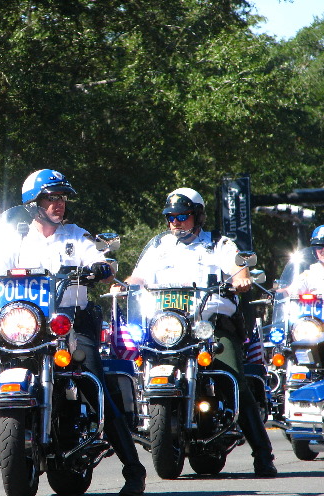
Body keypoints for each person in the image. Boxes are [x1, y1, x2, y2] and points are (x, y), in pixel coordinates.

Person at [0, 169, 147, 496]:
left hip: (72, 323)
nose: (59, 204)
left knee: (92, 381)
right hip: (24, 327)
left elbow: (99, 261)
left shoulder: (75, 236)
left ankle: (134, 469)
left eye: (62, 198)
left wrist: (102, 267)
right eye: (52, 198)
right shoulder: (13, 242)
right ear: (32, 204)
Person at [116, 187, 276, 477]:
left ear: (197, 216)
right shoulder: (158, 245)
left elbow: (237, 269)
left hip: (210, 325)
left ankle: (263, 455)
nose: (175, 222)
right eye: (170, 217)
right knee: (133, 368)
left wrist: (240, 279)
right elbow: (138, 276)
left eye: (182, 216)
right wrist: (124, 284)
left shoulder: (218, 243)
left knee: (233, 377)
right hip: (167, 327)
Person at [286, 225, 324, 295]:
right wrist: (278, 293)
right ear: (314, 250)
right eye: (319, 246)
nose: (323, 250)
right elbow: (292, 290)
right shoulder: (310, 274)